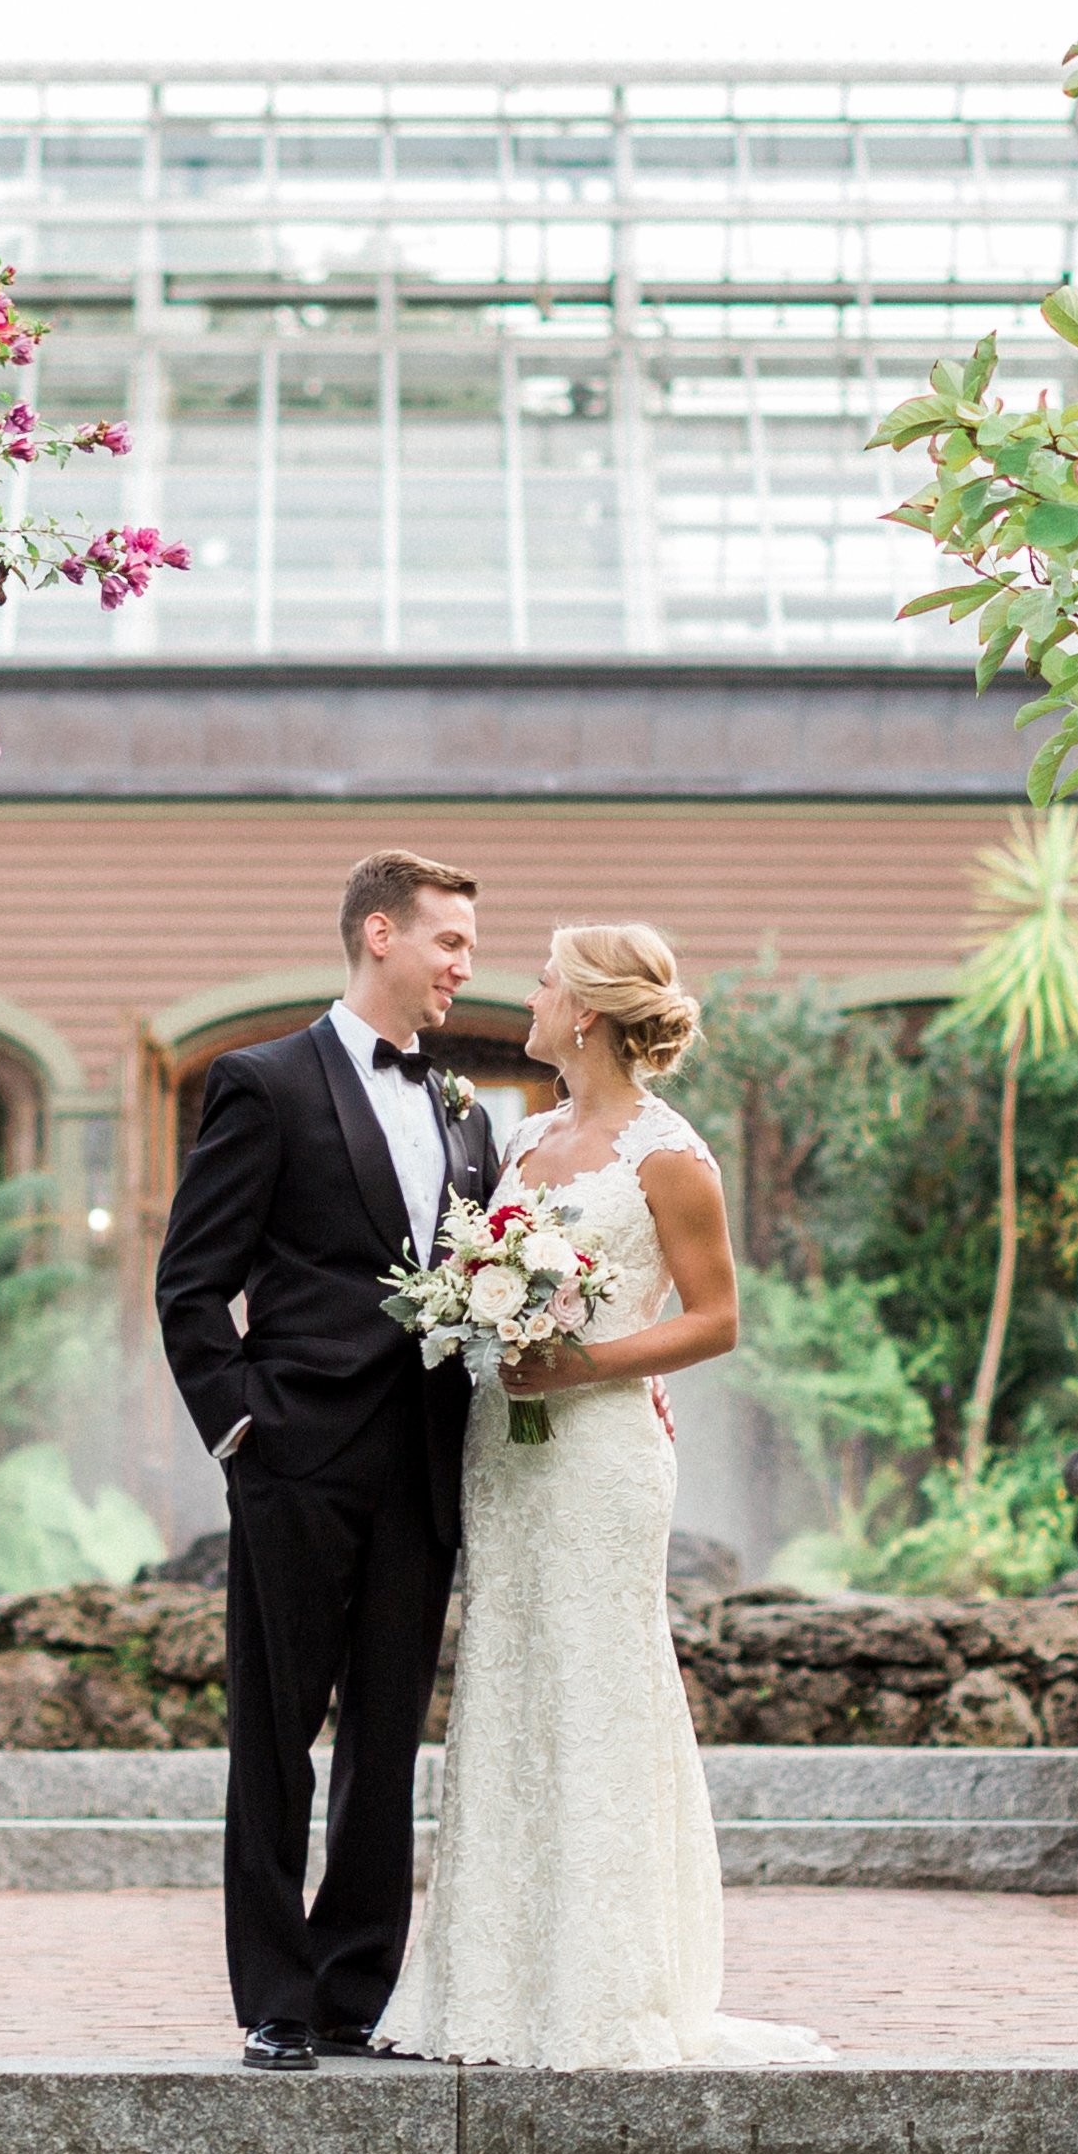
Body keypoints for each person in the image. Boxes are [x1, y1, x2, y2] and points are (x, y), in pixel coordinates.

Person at [372, 922, 829, 2070]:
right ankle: (489, 1987)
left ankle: (605, 1987)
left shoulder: (670, 1154)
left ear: (586, 1010)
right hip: (507, 1451)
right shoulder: (520, 1140)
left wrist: (584, 1363)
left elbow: (717, 1320)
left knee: (596, 1684)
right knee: (512, 1683)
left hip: (600, 1454)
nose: (521, 997)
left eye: (538, 983)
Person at [154, 849, 498, 2068]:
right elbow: (191, 1283)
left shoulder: (466, 1112)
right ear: (380, 934)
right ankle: (276, 1999)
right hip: (296, 1457)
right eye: (450, 940)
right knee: (274, 1731)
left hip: (422, 1464)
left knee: (387, 1737)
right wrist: (243, 1429)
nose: (466, 963)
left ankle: (357, 1991)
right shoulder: (264, 1081)